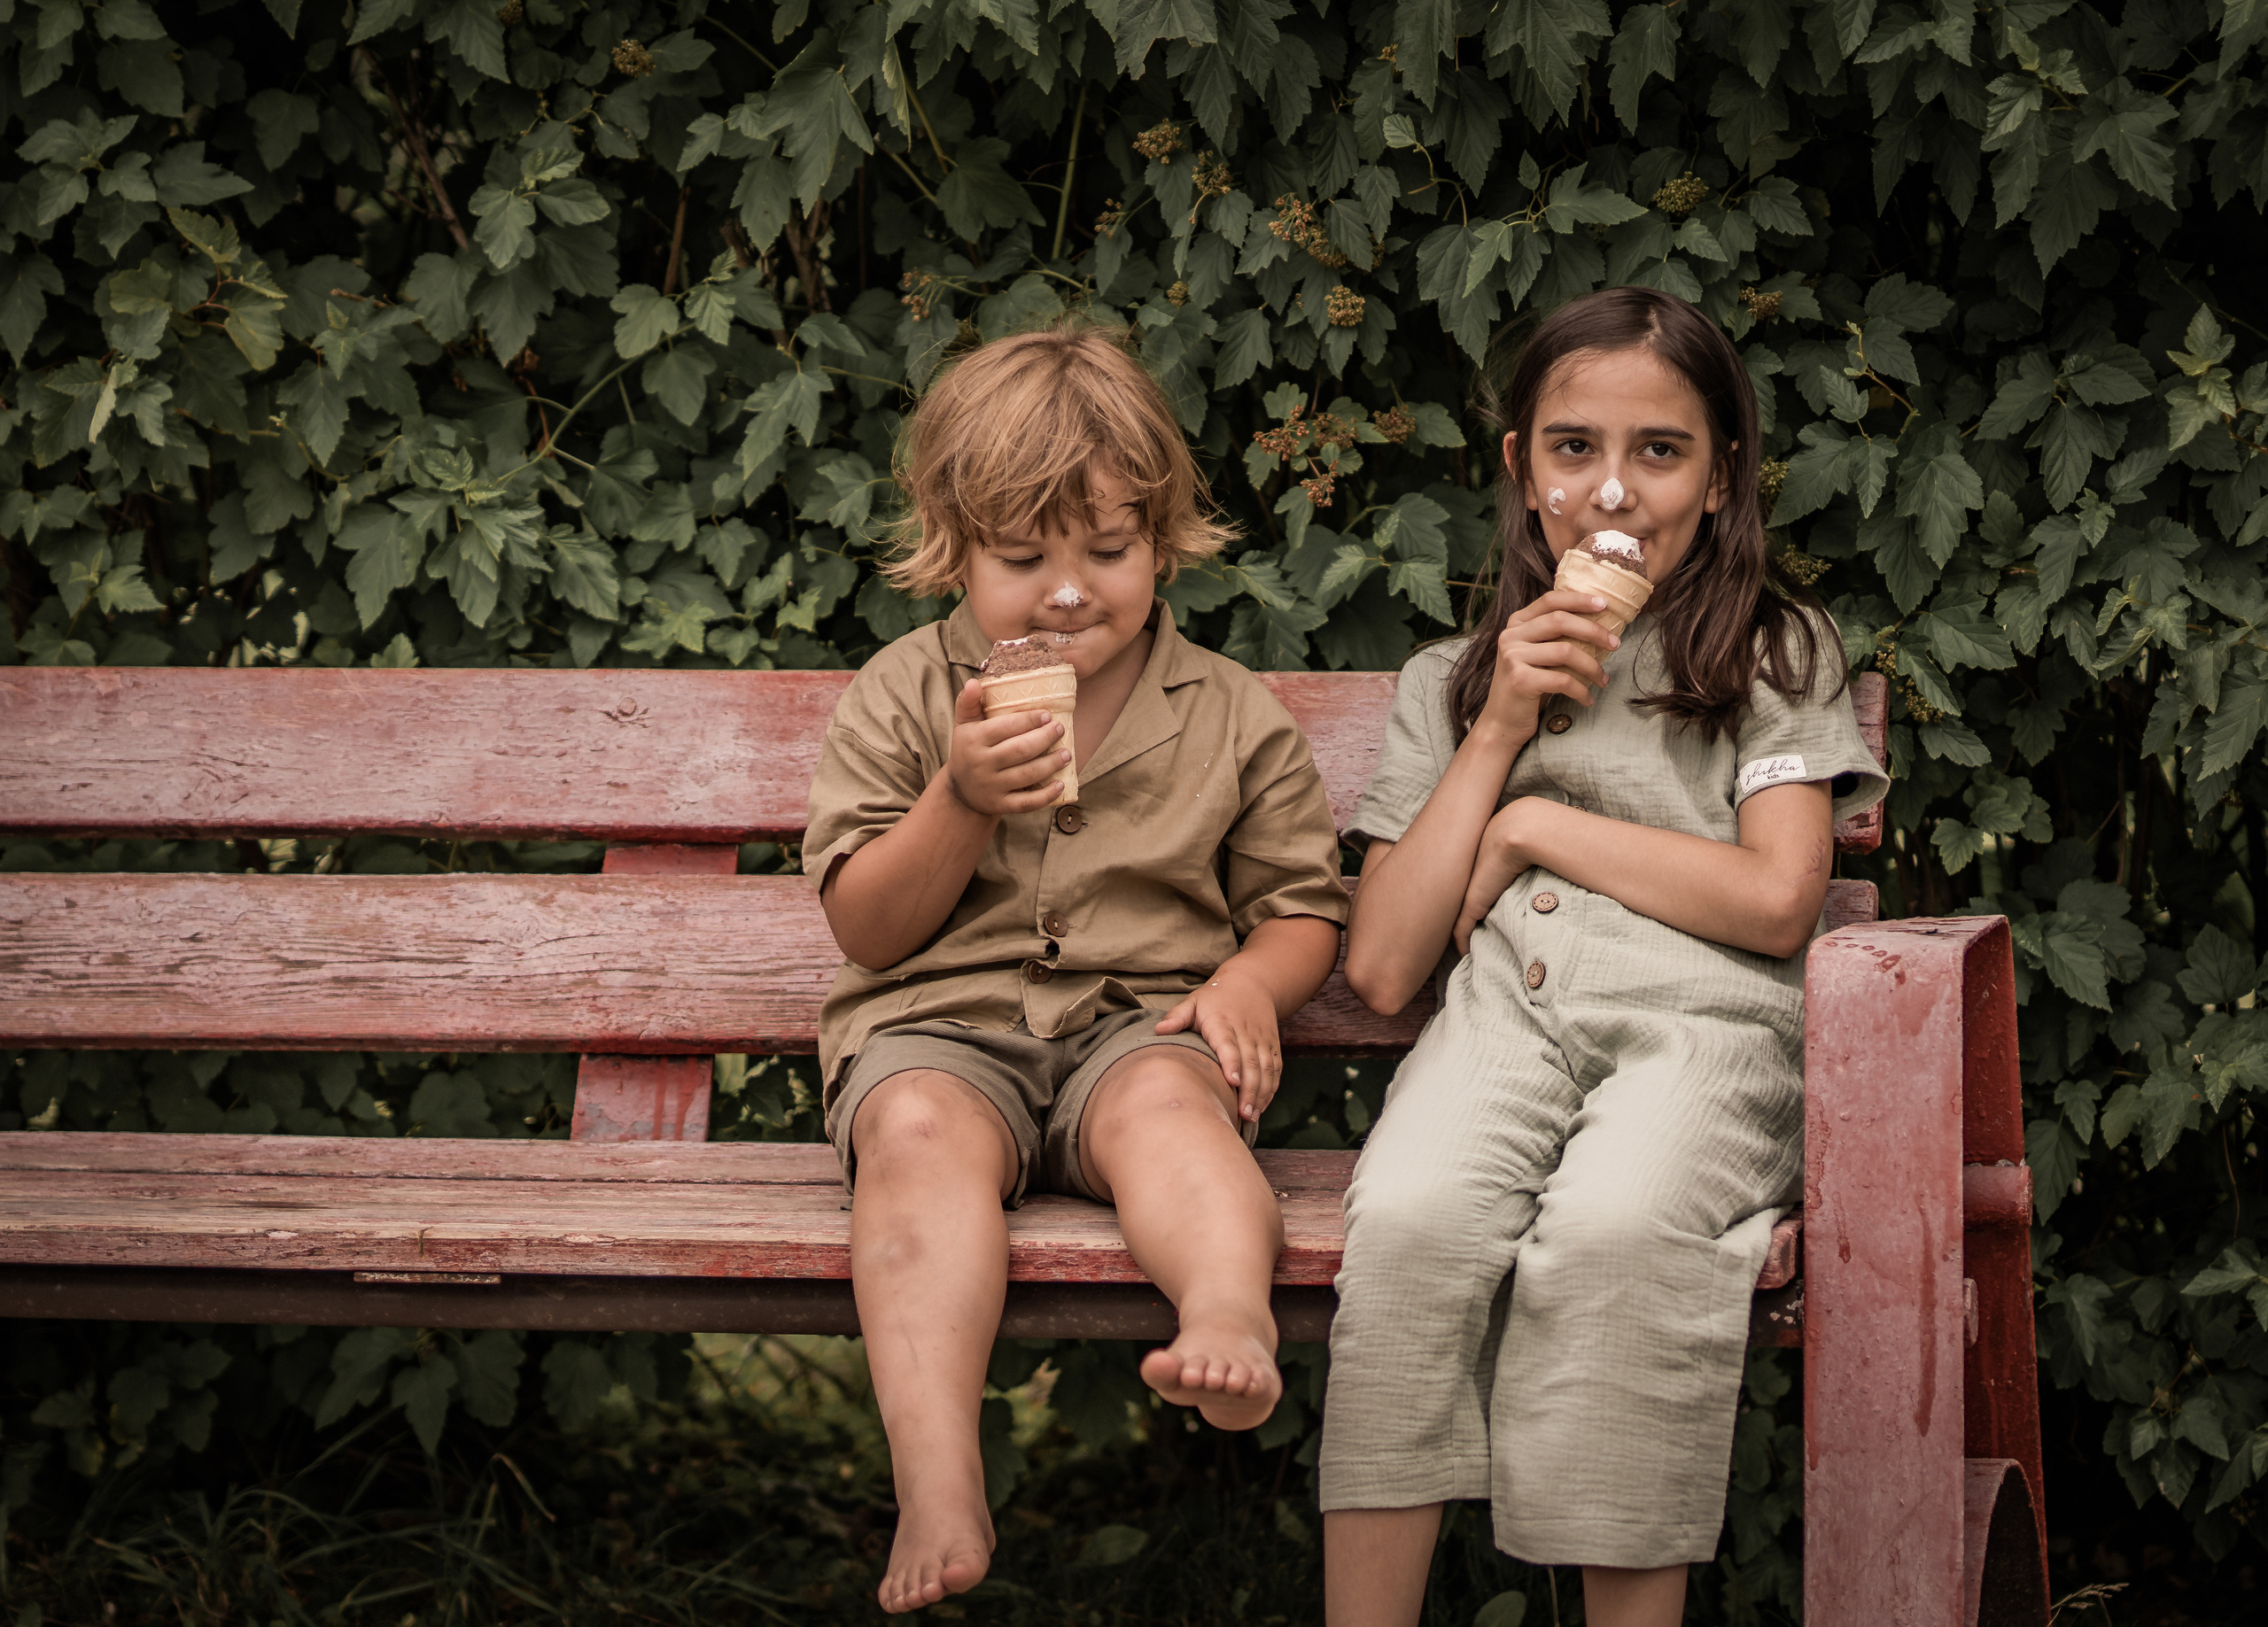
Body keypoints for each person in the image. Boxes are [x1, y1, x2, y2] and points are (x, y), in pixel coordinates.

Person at [1318, 286, 1890, 1627]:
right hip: (1502, 1027)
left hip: (1706, 1028)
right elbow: (1390, 967)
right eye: (1574, 448)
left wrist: (1538, 826)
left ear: (1722, 474)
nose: (1614, 490)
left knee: (1619, 1233)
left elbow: (1775, 899)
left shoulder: (1770, 648)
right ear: (1520, 467)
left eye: (1661, 450)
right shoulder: (1449, 679)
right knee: (1404, 1223)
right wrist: (1499, 730)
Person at [804, 322, 1349, 1615]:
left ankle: (1226, 1315)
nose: (1067, 591)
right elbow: (868, 928)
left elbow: (1301, 907)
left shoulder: (1227, 711)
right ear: (953, 548)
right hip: (941, 1030)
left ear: (1162, 541)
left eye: (1106, 551)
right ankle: (938, 1477)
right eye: (1021, 557)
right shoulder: (901, 693)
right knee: (916, 1130)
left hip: (1135, 1028)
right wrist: (959, 796)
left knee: (1176, 1111)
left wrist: (1250, 986)